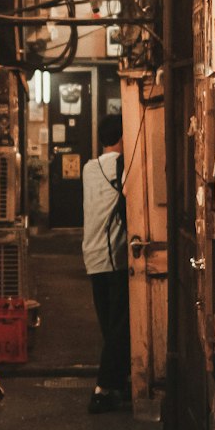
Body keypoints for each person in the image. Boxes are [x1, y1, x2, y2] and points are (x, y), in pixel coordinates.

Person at [81, 112, 130, 413]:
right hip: (115, 257)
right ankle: (103, 389)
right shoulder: (122, 167)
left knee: (108, 325)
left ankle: (118, 384)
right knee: (118, 327)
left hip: (92, 255)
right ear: (122, 138)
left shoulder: (89, 168)